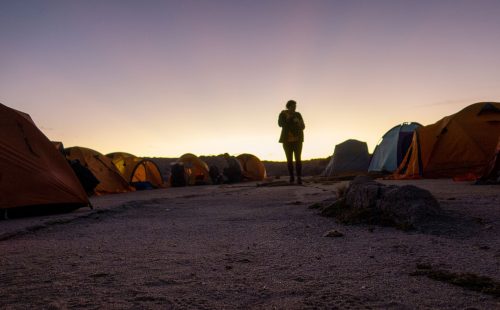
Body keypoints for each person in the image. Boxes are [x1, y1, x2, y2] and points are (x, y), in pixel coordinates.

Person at [278, 100, 305, 184]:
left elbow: (303, 126)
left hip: (298, 140)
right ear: (288, 106)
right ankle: (292, 177)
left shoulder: (298, 114)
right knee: (289, 160)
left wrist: (299, 123)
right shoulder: (282, 114)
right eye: (293, 106)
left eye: (295, 106)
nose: (294, 108)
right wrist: (288, 119)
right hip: (286, 141)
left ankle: (299, 178)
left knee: (298, 159)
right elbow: (280, 124)